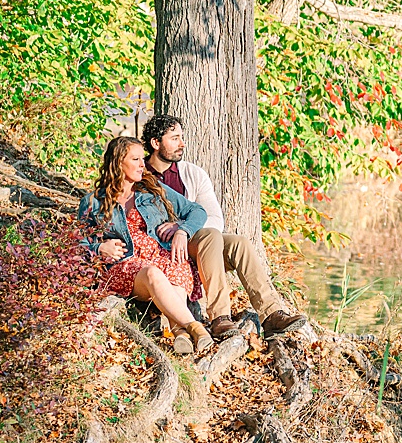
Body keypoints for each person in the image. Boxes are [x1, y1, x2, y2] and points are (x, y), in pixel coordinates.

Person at [141, 115, 298, 340]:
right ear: (156, 143)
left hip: (194, 243)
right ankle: (219, 317)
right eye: (175, 138)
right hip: (161, 249)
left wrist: (182, 228)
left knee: (239, 243)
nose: (182, 144)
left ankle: (271, 313)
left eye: (182, 138)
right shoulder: (140, 174)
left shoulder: (193, 174)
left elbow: (214, 218)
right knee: (210, 237)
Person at [79, 136, 214, 356]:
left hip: (160, 254)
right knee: (153, 274)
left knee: (176, 267)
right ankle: (197, 329)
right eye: (136, 159)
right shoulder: (93, 201)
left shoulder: (152, 189)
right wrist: (99, 248)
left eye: (143, 158)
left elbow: (196, 211)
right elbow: (77, 243)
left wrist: (182, 230)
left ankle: (181, 334)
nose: (143, 164)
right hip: (126, 264)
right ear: (117, 162)